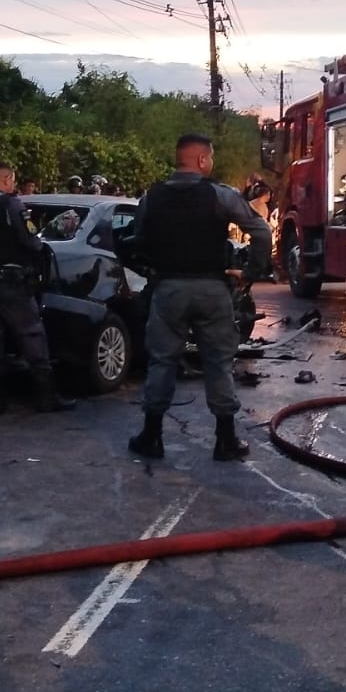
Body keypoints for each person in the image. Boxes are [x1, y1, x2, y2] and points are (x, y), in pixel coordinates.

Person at [128, 134, 271, 461]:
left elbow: (138, 240)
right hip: (211, 290)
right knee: (218, 362)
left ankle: (152, 437)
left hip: (168, 289)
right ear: (202, 160)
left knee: (162, 360)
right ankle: (225, 440)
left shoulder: (153, 198)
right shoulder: (219, 196)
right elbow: (261, 231)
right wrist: (251, 273)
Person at [0, 161, 72, 414]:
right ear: (6, 179)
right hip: (12, 282)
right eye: (12, 180)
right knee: (32, 334)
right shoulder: (11, 205)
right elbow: (31, 241)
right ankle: (46, 396)